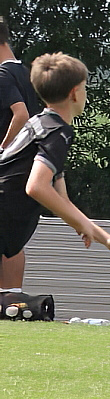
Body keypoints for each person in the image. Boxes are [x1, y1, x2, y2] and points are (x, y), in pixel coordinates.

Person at [0, 52, 110, 274]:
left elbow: (62, 200)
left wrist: (104, 238)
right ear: (74, 93)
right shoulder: (56, 132)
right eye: (84, 87)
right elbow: (37, 187)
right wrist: (91, 229)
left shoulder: (42, 124)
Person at [0, 17, 44, 294]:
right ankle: (12, 303)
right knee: (12, 242)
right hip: (26, 170)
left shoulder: (2, 75)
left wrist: (3, 149)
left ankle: (9, 303)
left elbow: (21, 114)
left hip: (8, 171)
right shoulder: (25, 74)